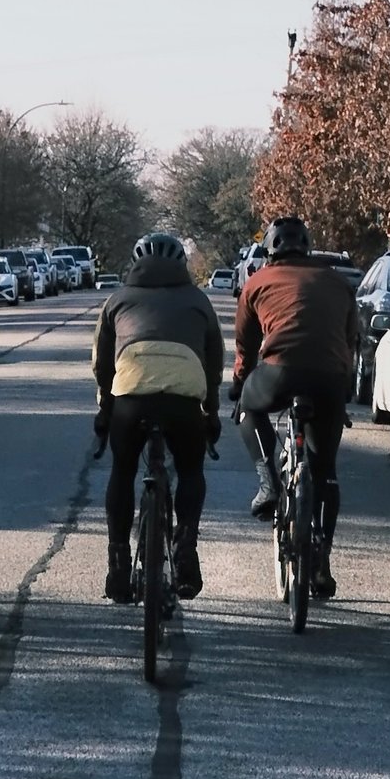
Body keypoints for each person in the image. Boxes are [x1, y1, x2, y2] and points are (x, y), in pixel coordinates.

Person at [91, 230, 221, 603]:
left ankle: (118, 561)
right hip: (184, 398)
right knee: (192, 469)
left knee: (123, 470)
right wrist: (211, 411)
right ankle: (185, 547)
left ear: (136, 264)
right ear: (182, 265)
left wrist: (105, 407)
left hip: (131, 394)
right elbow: (213, 364)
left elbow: (101, 363)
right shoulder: (199, 300)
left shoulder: (117, 300)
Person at [231, 211, 356, 599]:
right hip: (330, 380)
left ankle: (269, 482)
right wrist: (343, 391)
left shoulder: (257, 282)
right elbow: (351, 341)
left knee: (249, 412)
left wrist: (239, 386)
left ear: (269, 250)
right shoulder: (336, 282)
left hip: (279, 374)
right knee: (325, 471)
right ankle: (322, 561)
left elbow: (245, 347)